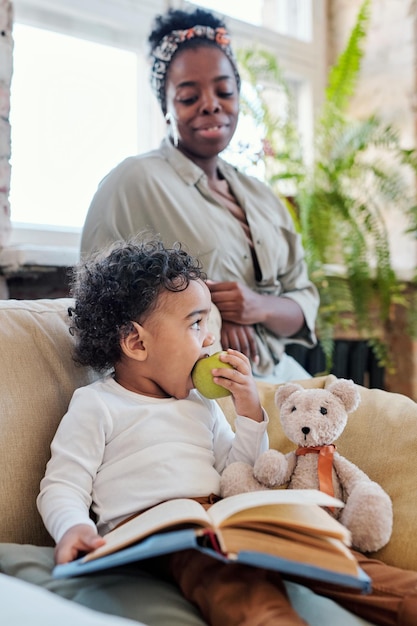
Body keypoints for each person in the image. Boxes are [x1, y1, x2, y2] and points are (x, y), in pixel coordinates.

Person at [36, 237, 417, 626]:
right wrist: (74, 528)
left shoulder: (201, 405)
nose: (209, 339)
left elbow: (238, 469)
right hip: (166, 537)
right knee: (235, 588)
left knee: (332, 556)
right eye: (196, 323)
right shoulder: (98, 404)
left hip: (225, 520)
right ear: (136, 342)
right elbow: (63, 485)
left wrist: (249, 412)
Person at [80, 6, 319, 384]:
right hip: (203, 388)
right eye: (189, 97)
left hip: (279, 373)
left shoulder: (263, 198)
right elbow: (99, 306)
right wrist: (210, 312)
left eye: (224, 90)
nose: (211, 104)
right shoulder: (132, 183)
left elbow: (303, 306)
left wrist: (254, 307)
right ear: (166, 108)